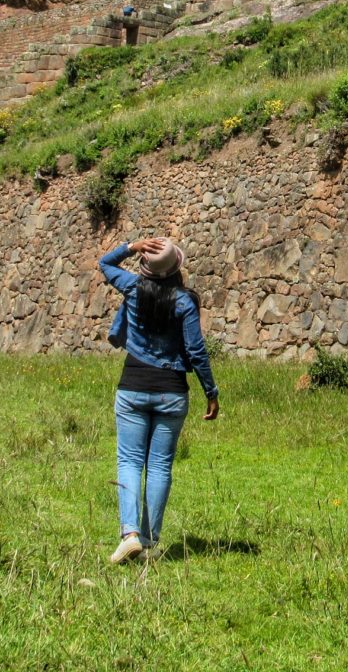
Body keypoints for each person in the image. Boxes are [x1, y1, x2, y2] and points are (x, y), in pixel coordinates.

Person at [99, 237, 219, 564]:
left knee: (129, 462)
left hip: (133, 385)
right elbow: (196, 351)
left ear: (146, 267)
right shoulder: (185, 302)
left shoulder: (133, 288)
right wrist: (211, 391)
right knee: (160, 466)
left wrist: (131, 245)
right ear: (175, 269)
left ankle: (130, 534)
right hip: (172, 390)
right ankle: (149, 540)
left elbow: (104, 264)